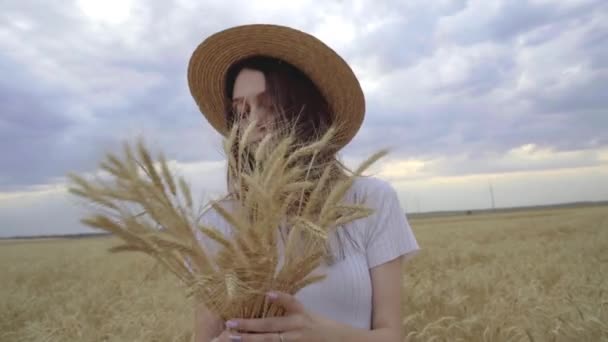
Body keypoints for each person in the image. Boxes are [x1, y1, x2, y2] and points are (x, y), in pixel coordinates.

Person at [187, 24, 420, 342]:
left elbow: (392, 336)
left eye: (269, 105)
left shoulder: (370, 201)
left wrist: (318, 333)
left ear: (306, 111)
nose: (254, 123)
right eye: (241, 112)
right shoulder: (218, 222)